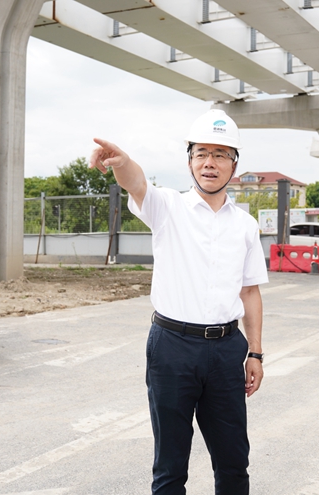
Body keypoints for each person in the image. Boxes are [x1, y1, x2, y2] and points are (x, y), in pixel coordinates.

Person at [89, 109, 268, 495]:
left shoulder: (245, 225)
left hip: (226, 350)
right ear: (189, 161)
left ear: (234, 165)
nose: (210, 162)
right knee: (170, 466)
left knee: (234, 462)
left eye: (220, 154)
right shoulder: (168, 207)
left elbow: (250, 292)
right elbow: (137, 183)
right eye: (201, 153)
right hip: (172, 348)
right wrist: (122, 162)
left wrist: (255, 352)